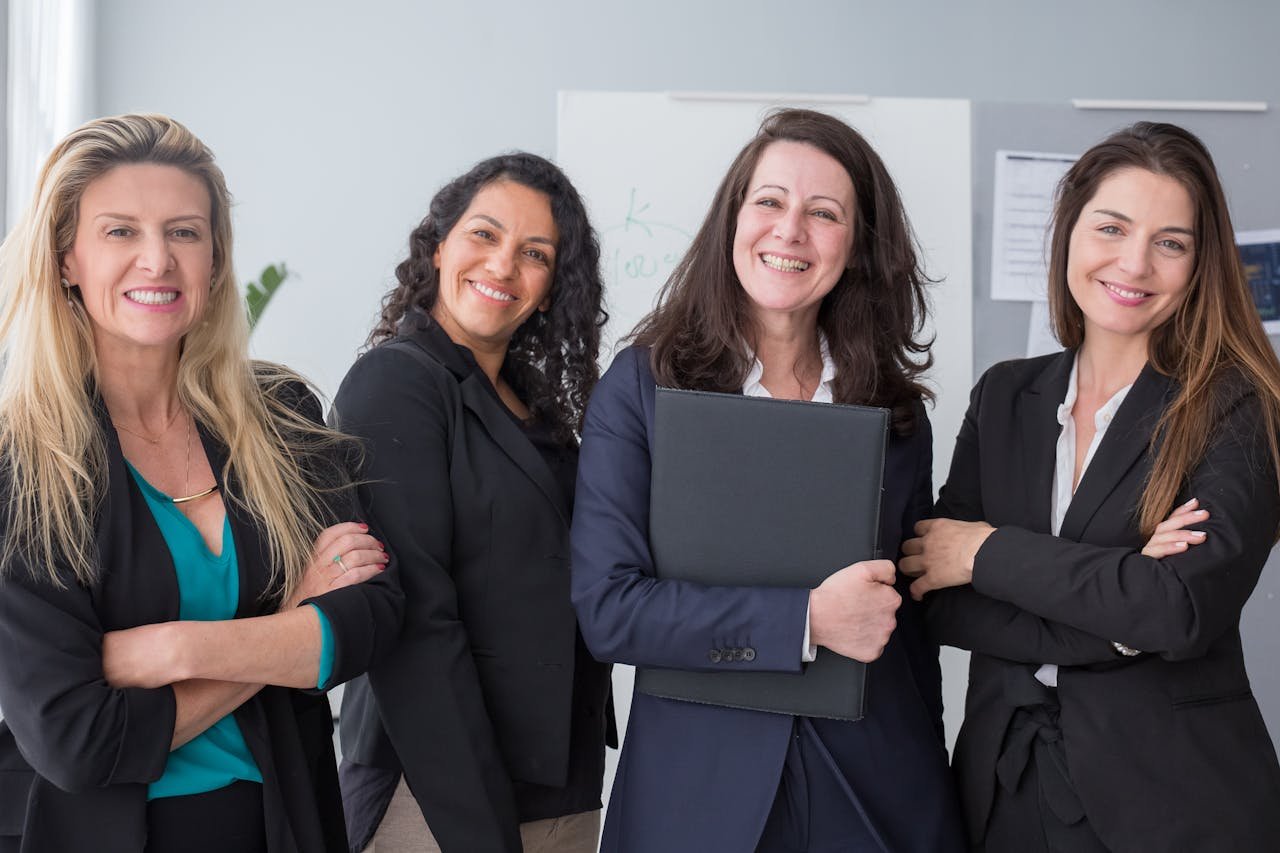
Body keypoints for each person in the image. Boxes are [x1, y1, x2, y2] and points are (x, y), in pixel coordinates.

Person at [0, 114, 404, 853]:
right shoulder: (22, 463)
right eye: (120, 231)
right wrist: (288, 619)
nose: (157, 260)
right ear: (66, 259)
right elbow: (75, 737)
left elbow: (370, 615)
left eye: (184, 231)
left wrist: (174, 649)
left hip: (283, 821)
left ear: (214, 259)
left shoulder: (281, 414)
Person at [570, 108, 964, 853]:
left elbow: (909, 637)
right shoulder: (645, 388)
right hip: (697, 793)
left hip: (877, 786)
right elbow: (611, 610)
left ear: (856, 246)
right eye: (770, 202)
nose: (791, 231)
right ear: (734, 220)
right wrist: (806, 620)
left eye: (824, 213)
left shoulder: (894, 410)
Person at [902, 121, 1280, 851]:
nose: (1134, 263)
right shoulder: (1005, 395)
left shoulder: (1237, 405)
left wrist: (987, 554)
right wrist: (1121, 612)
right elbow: (937, 595)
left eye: (1170, 242)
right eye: (1112, 227)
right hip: (1004, 788)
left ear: (1200, 263)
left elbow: (1177, 611)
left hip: (1176, 805)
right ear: (1070, 228)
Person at [334, 152, 614, 853]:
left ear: (551, 289)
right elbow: (416, 625)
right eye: (484, 235)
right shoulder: (395, 384)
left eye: (534, 253)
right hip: (435, 796)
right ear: (439, 248)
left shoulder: (539, 410)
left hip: (561, 787)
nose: (502, 265)